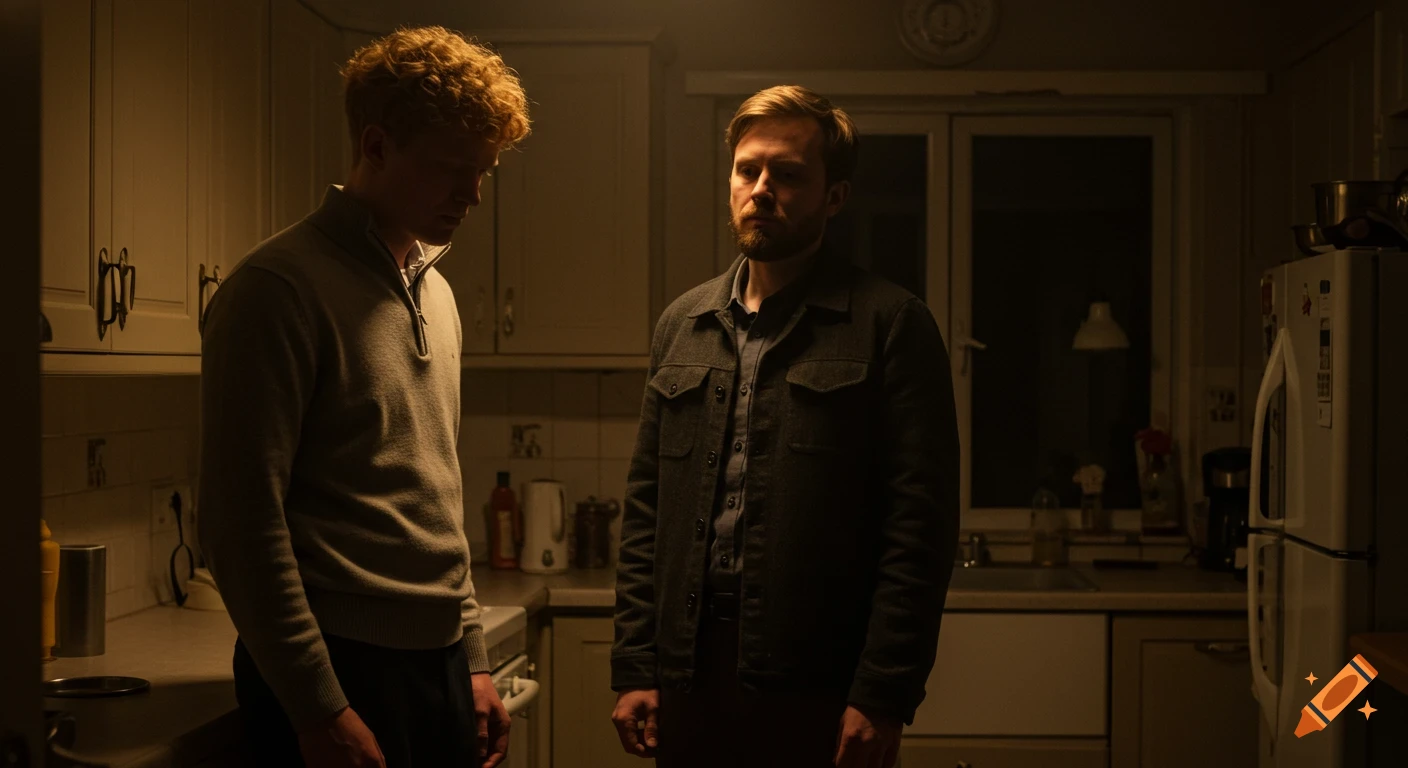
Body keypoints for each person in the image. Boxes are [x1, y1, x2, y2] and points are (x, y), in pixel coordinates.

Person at [198, 26, 530, 768]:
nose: (473, 195)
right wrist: (318, 706)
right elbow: (238, 524)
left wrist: (473, 659)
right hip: (340, 666)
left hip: (438, 665)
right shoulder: (275, 291)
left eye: (483, 172)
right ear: (376, 146)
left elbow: (438, 493)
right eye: (452, 170)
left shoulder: (436, 293)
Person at [609, 85, 960, 768]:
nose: (762, 190)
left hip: (818, 683)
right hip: (688, 674)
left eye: (789, 175)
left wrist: (883, 693)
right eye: (748, 170)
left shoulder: (889, 323)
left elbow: (919, 529)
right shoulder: (682, 324)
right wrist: (635, 665)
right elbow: (647, 511)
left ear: (835, 196)